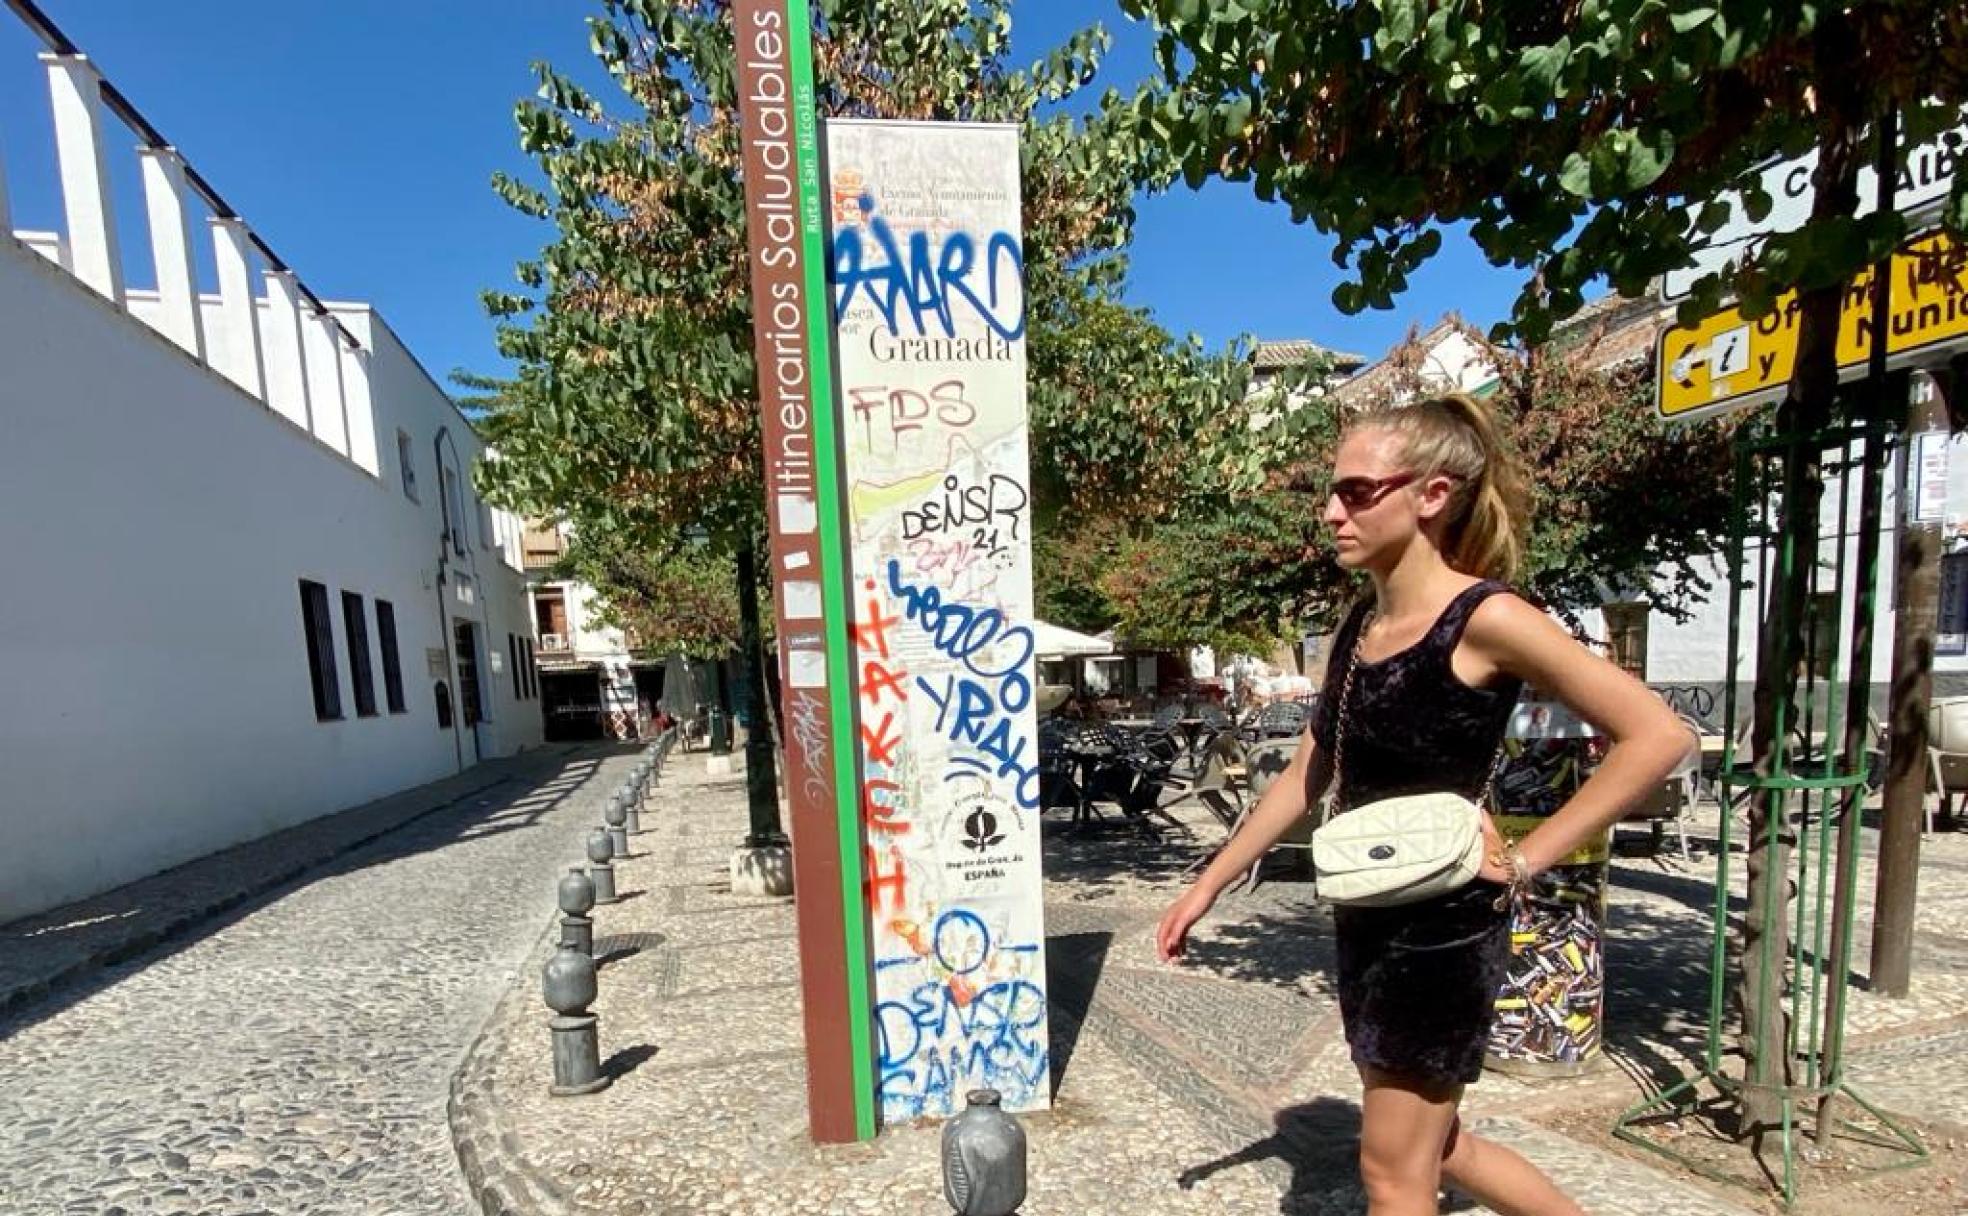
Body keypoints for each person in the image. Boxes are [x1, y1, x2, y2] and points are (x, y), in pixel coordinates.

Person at [1155, 393, 1686, 1216]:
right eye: (1331, 493)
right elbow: (1308, 773)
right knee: (1438, 1144)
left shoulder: (1487, 617)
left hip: (1444, 926)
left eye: (1358, 491)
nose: (1332, 513)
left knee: (1393, 1173)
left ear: (1432, 495)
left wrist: (1529, 855)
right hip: (1368, 912)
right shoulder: (1360, 626)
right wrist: (1208, 881)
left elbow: (1655, 736)